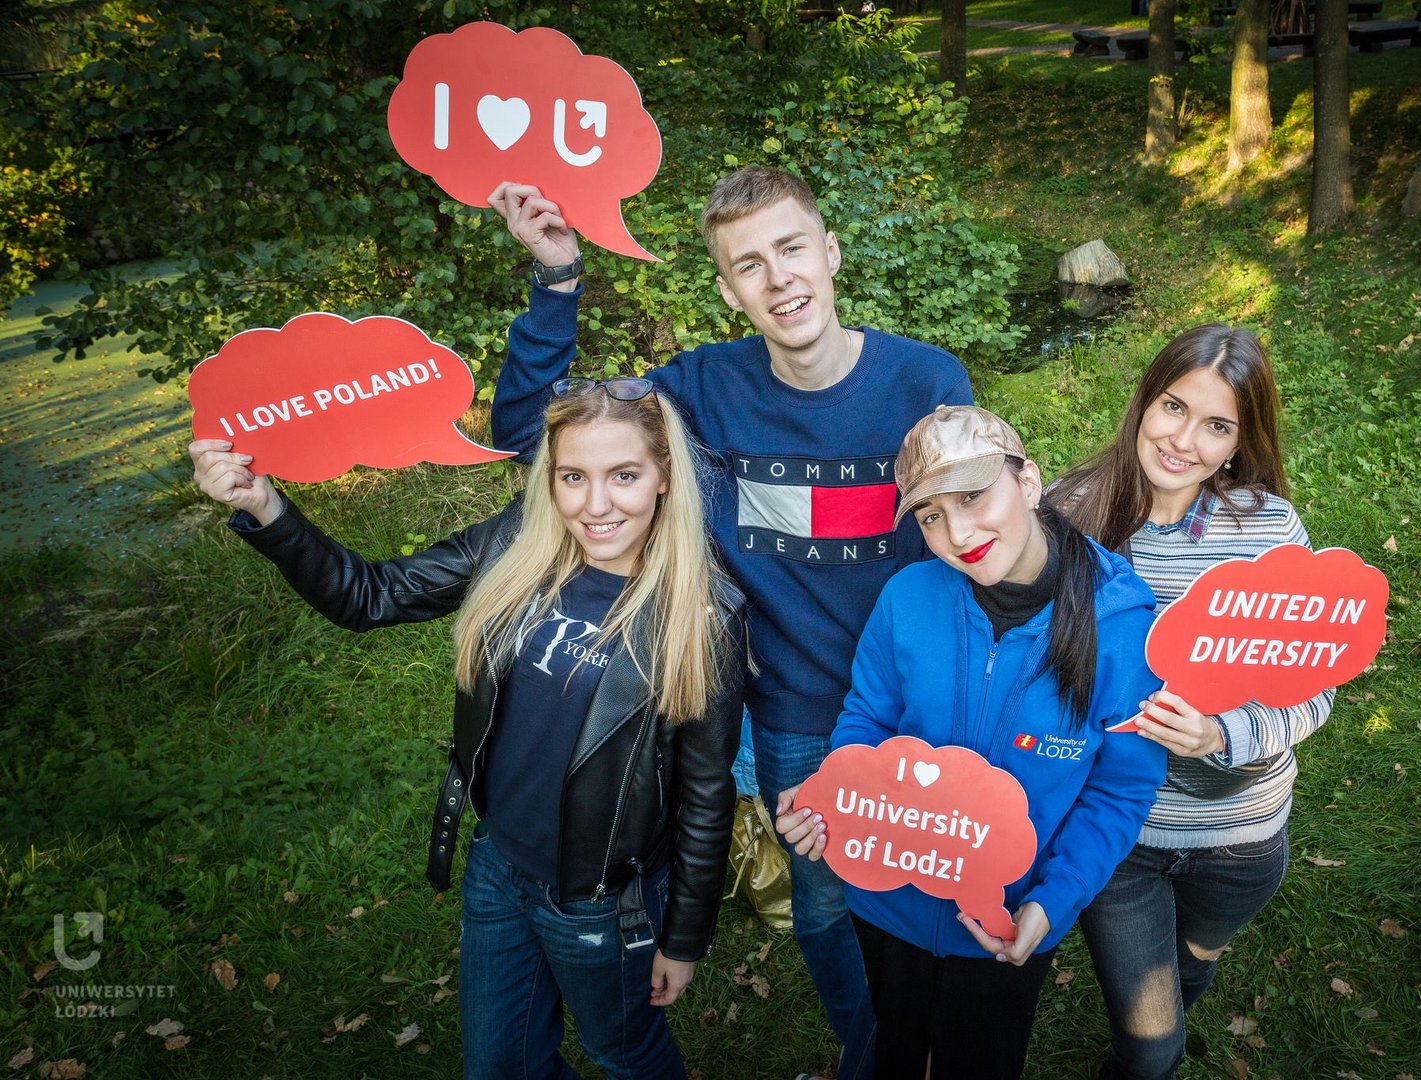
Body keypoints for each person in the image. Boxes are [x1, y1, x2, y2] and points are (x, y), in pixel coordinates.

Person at [486, 165, 972, 1078]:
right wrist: (556, 282)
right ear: (727, 289)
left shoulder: (926, 379)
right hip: (790, 717)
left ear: (828, 253)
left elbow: (982, 529)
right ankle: (876, 1058)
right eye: (749, 264)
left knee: (930, 896)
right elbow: (530, 433)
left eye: (792, 249)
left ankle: (928, 1039)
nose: (779, 277)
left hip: (919, 703)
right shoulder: (701, 388)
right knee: (825, 913)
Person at [188, 378, 745, 1080]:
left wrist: (685, 938)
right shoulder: (518, 542)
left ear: (664, 475)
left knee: (623, 1052)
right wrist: (264, 508)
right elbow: (371, 596)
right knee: (498, 1067)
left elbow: (704, 791)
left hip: (602, 902)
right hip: (499, 867)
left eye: (624, 476)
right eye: (573, 477)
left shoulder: (703, 614)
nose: (596, 505)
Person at [776, 405, 1167, 1079]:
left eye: (973, 496)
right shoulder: (907, 599)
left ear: (1030, 481)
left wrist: (1052, 902)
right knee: (894, 1044)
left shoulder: (1124, 628)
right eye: (930, 516)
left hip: (1007, 919)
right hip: (887, 899)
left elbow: (1119, 788)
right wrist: (831, 798)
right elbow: (868, 719)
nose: (957, 533)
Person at [1045, 325, 1336, 1080]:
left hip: (1240, 839)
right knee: (1152, 1051)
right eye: (1173, 407)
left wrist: (1224, 734)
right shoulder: (1067, 516)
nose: (1183, 441)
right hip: (1119, 837)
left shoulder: (1268, 531)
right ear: (1145, 399)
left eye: (1216, 426)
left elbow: (1316, 687)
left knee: (1190, 970)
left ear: (1240, 443)